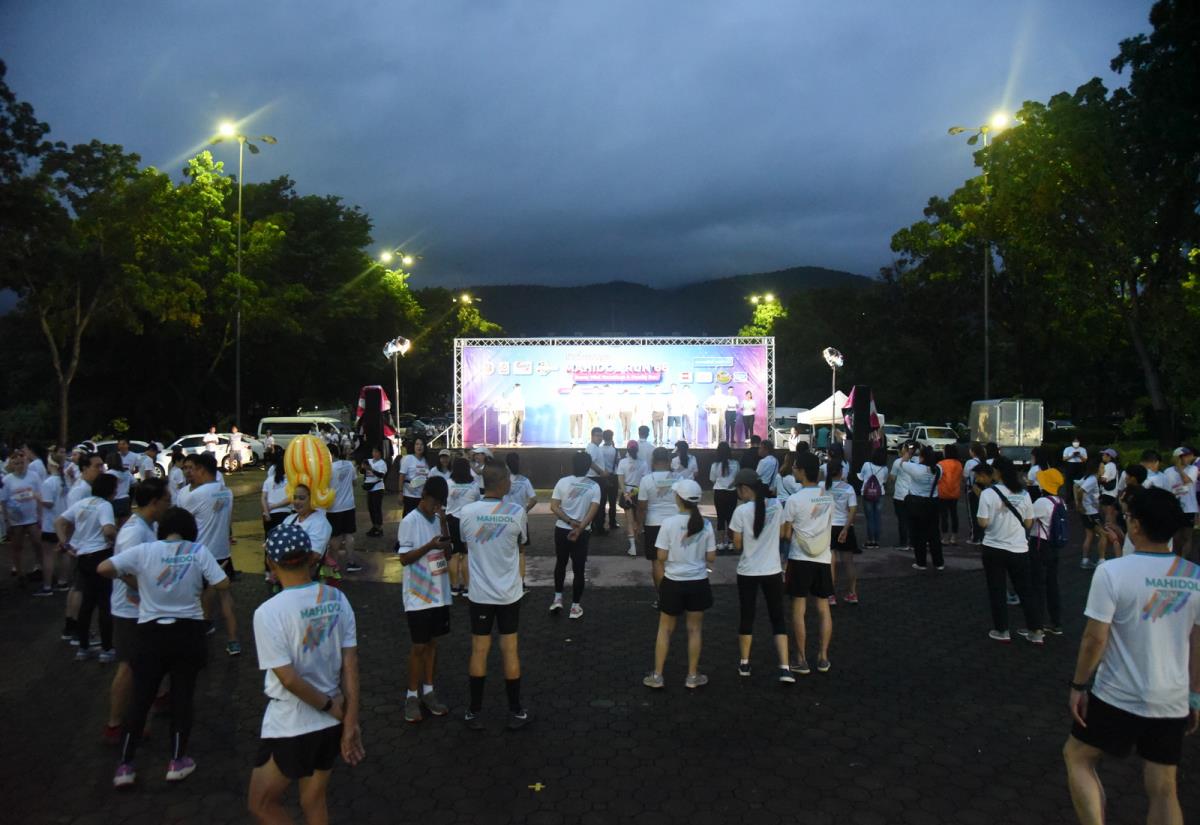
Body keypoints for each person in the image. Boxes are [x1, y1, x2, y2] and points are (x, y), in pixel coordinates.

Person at [1063, 487, 1198, 825]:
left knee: (1078, 756)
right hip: (1170, 698)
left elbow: (1095, 638)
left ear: (1135, 524)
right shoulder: (1193, 577)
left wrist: (1078, 685)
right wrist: (1195, 696)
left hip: (1117, 694)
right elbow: (1197, 644)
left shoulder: (1113, 572)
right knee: (1164, 788)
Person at [101, 506, 228, 788]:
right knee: (183, 696)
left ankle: (125, 765)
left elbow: (105, 567)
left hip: (150, 634)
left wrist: (137, 582)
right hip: (188, 632)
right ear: (190, 529)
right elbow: (223, 582)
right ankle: (177, 760)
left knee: (140, 698)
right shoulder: (197, 551)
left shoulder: (145, 551)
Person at [247, 523, 363, 823]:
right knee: (314, 801)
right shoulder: (337, 599)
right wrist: (350, 720)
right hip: (332, 720)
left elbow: (287, 678)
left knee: (261, 802)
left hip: (292, 722)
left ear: (271, 562)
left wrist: (328, 706)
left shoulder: (269, 612)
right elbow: (351, 663)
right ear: (312, 557)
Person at [458, 459, 530, 730]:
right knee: (509, 649)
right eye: (508, 479)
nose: (511, 483)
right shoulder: (517, 512)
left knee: (479, 650)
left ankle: (474, 711)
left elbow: (466, 546)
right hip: (509, 595)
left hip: (479, 595)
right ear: (502, 483)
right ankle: (516, 710)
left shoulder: (467, 513)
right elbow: (521, 547)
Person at [105, 477, 169, 744]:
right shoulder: (134, 532)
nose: (169, 505)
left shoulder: (148, 525)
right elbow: (123, 571)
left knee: (150, 660)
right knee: (129, 667)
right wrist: (152, 590)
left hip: (144, 607)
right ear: (154, 502)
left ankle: (158, 700)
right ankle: (115, 724)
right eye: (167, 500)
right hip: (129, 610)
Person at [643, 479, 716, 689]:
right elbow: (711, 557)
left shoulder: (669, 523)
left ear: (678, 499)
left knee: (665, 630)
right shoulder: (706, 524)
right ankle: (692, 676)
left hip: (673, 582)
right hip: (698, 582)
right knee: (695, 630)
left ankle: (658, 675)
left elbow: (661, 556)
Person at [395, 476, 452, 724]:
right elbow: (404, 558)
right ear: (424, 496)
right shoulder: (410, 521)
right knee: (418, 646)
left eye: (440, 504)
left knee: (432, 644)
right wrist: (429, 545)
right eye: (434, 503)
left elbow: (449, 553)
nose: (436, 507)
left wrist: (444, 525)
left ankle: (429, 691)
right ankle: (411, 696)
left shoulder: (438, 520)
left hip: (439, 592)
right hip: (418, 594)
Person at [730, 468, 792, 682]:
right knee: (778, 617)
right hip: (772, 570)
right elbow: (783, 534)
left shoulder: (740, 512)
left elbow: (737, 545)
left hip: (747, 571)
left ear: (744, 489)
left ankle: (745, 663)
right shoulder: (776, 505)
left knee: (747, 615)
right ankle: (785, 667)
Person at [178, 453, 240, 655]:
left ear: (202, 469)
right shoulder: (227, 492)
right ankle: (233, 641)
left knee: (199, 599)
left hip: (202, 554)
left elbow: (181, 521)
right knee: (225, 597)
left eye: (193, 468)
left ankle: (201, 639)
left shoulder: (194, 495)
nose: (190, 472)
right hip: (223, 553)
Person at [974, 458, 1041, 644]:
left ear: (997, 472)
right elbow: (1029, 522)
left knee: (997, 589)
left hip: (993, 547)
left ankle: (1002, 630)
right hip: (1019, 548)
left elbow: (983, 522)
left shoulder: (988, 493)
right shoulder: (1024, 493)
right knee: (1026, 590)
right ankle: (1036, 631)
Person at [56, 472, 118, 660]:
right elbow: (108, 530)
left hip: (82, 557)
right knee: (105, 603)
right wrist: (118, 539)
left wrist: (65, 543)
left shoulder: (82, 503)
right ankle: (107, 648)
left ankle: (83, 647)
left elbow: (59, 521)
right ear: (111, 491)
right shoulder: (105, 505)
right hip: (100, 555)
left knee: (87, 603)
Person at [782, 453, 834, 675]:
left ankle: (801, 658)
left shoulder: (794, 500)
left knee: (798, 609)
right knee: (823, 608)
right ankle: (823, 657)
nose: (793, 469)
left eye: (795, 466)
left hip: (800, 557)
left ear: (802, 471)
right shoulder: (827, 497)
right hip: (822, 557)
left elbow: (786, 534)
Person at [549, 452, 603, 619]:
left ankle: (557, 598)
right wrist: (579, 528)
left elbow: (554, 506)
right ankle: (575, 607)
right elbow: (592, 512)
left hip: (562, 529)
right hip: (582, 532)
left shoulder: (562, 482)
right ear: (588, 467)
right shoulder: (594, 486)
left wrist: (569, 521)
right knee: (579, 569)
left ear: (573, 464)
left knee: (561, 563)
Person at [1029, 467, 1067, 637]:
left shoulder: (1041, 502)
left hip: (1039, 545)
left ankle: (1036, 626)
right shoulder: (1061, 502)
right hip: (1054, 547)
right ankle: (1056, 622)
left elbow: (1028, 521)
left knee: (1037, 585)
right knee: (1052, 584)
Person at [638, 447, 677, 595]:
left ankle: (662, 597)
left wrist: (638, 525)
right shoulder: (679, 479)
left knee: (657, 561)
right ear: (668, 461)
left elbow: (642, 507)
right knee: (674, 560)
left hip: (653, 523)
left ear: (653, 461)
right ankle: (675, 595)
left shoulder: (646, 480)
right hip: (675, 522)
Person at [898, 447, 943, 570]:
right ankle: (939, 563)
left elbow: (902, 463)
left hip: (917, 503)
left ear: (922, 457)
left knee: (918, 534)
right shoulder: (939, 469)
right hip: (933, 502)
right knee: (934, 534)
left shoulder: (916, 469)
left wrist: (908, 453)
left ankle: (921, 562)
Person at [1, 449, 41, 586]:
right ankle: (19, 573)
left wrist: (40, 515)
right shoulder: (7, 480)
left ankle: (39, 567)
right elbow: (3, 501)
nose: (20, 465)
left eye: (22, 462)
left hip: (32, 517)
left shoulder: (34, 476)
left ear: (26, 462)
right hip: (16, 519)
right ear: (12, 464)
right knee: (17, 546)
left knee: (37, 543)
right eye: (16, 463)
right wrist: (7, 520)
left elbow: (39, 495)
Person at [825, 459, 860, 605]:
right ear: (841, 472)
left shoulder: (823, 487)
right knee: (849, 562)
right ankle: (852, 593)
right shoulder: (848, 488)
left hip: (829, 527)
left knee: (831, 563)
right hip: (845, 526)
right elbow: (853, 510)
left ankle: (831, 595)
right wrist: (846, 528)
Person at [445, 457, 481, 598]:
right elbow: (478, 502)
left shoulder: (448, 483)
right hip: (469, 521)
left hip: (452, 521)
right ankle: (467, 587)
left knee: (454, 554)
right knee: (466, 554)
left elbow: (444, 502)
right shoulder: (474, 485)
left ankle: (454, 587)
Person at [326, 445, 362, 574]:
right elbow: (355, 483)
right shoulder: (349, 465)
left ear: (331, 454)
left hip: (333, 508)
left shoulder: (328, 469)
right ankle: (351, 562)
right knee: (349, 535)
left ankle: (334, 565)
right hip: (349, 505)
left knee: (335, 536)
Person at [37, 454, 69, 595]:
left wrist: (37, 497)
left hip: (51, 524)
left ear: (50, 465)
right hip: (64, 523)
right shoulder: (66, 480)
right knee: (64, 553)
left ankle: (47, 586)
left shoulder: (48, 483)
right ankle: (63, 582)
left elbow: (48, 503)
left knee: (48, 556)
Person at [1076, 455, 1111, 569]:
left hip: (1088, 512)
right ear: (1096, 469)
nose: (1104, 469)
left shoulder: (1088, 478)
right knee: (1103, 534)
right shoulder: (1092, 480)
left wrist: (1079, 504)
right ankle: (1101, 560)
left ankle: (1085, 560)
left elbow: (1076, 485)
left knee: (1089, 535)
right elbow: (1080, 490)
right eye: (1102, 467)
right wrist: (1080, 504)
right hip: (1091, 513)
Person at [1163, 447, 1197, 560]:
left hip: (1189, 507)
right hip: (1174, 507)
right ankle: (1175, 559)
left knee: (1187, 536)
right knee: (1176, 537)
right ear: (1178, 458)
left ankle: (1184, 559)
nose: (1189, 458)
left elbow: (1187, 481)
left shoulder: (1193, 469)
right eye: (1185, 456)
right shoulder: (1168, 472)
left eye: (1190, 455)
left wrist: (1180, 469)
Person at [617, 440, 647, 557]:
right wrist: (634, 492)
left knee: (629, 521)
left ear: (627, 450)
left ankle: (632, 547)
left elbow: (620, 480)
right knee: (639, 520)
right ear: (637, 450)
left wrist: (626, 494)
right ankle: (638, 538)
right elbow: (644, 481)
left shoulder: (622, 462)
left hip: (627, 492)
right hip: (640, 493)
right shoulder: (643, 463)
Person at [709, 442, 740, 552]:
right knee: (731, 517)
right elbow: (737, 477)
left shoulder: (715, 465)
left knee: (720, 517)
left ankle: (720, 542)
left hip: (719, 493)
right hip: (732, 493)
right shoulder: (735, 463)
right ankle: (731, 542)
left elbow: (712, 479)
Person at [857, 447, 888, 549]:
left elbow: (861, 477)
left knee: (870, 517)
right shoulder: (885, 468)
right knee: (877, 517)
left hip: (867, 494)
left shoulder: (866, 465)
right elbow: (885, 480)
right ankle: (877, 541)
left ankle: (870, 541)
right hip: (880, 494)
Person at [583, 427, 612, 535]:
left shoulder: (595, 447)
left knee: (597, 503)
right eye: (597, 436)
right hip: (595, 479)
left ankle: (596, 527)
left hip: (596, 478)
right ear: (592, 436)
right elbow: (590, 462)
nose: (600, 438)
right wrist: (601, 472)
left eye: (601, 436)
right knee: (599, 504)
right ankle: (598, 528)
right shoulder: (592, 448)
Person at [938, 445, 964, 546]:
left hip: (943, 492)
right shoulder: (959, 464)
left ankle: (945, 537)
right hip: (955, 492)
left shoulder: (941, 464)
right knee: (954, 515)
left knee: (944, 516)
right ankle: (954, 537)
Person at [397, 438, 429, 517]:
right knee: (409, 518)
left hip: (422, 496)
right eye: (417, 444)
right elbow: (401, 476)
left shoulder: (426, 460)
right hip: (409, 495)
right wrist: (400, 493)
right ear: (414, 446)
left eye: (421, 444)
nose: (419, 446)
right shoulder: (407, 458)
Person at [963, 442, 987, 544]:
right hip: (983, 488)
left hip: (972, 489)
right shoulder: (984, 461)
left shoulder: (970, 462)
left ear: (973, 452)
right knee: (982, 511)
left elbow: (965, 476)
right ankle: (982, 536)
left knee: (973, 513)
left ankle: (975, 537)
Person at [362, 446, 387, 538]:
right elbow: (362, 472)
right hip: (369, 488)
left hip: (378, 488)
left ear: (380, 453)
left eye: (376, 452)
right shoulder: (369, 461)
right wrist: (363, 467)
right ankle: (374, 526)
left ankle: (379, 528)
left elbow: (381, 475)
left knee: (377, 508)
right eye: (373, 452)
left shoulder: (382, 463)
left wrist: (371, 469)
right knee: (371, 508)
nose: (374, 454)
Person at [598, 430, 619, 531]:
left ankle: (600, 523)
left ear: (603, 438)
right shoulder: (614, 450)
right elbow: (618, 462)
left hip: (601, 477)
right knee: (612, 502)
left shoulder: (599, 449)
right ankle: (612, 522)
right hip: (612, 477)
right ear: (612, 437)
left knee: (601, 502)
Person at [106, 451, 134, 522]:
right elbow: (135, 483)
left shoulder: (108, 473)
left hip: (114, 500)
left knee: (114, 522)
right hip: (125, 500)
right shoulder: (126, 472)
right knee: (124, 523)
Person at [1063, 437, 1088, 509]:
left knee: (1078, 482)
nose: (1076, 443)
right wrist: (1072, 456)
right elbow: (1064, 458)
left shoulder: (1083, 449)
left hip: (1079, 466)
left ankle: (1077, 499)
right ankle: (1068, 499)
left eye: (1077, 441)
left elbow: (1085, 459)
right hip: (1070, 465)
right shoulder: (1067, 449)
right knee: (1069, 482)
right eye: (1074, 441)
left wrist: (1079, 455)